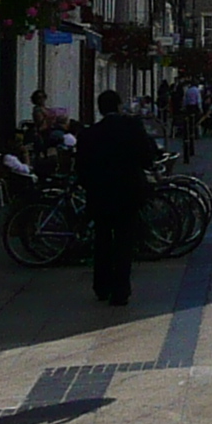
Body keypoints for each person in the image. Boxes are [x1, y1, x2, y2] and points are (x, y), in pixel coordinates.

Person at [75, 89, 164, 307]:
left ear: (100, 108)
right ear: (118, 106)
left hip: (100, 195)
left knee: (102, 239)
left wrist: (90, 187)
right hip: (128, 193)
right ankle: (121, 290)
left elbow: (81, 169)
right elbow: (146, 157)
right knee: (124, 241)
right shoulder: (132, 127)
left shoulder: (89, 134)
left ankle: (102, 285)